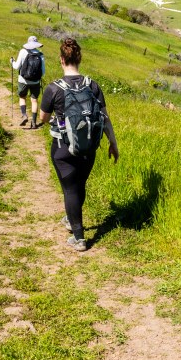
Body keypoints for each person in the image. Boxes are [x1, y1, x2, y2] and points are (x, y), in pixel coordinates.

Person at [39, 38, 119, 252]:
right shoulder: (92, 85)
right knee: (79, 185)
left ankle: (79, 237)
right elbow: (105, 117)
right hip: (90, 147)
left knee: (70, 189)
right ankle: (70, 218)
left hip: (63, 147)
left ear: (62, 59)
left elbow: (44, 118)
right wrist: (113, 143)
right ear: (79, 59)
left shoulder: (53, 88)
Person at [11, 36, 46, 128]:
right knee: (34, 100)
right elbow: (43, 72)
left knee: (22, 97)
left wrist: (12, 62)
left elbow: (16, 67)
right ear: (36, 44)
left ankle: (24, 115)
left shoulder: (23, 52)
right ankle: (34, 122)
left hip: (23, 80)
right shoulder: (40, 55)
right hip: (35, 82)